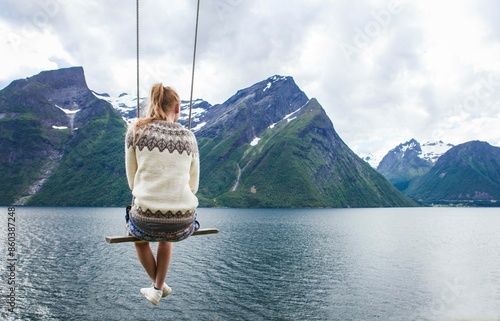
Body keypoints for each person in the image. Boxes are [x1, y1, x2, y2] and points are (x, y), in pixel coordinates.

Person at [125, 83, 200, 305]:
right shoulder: (189, 137)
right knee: (167, 238)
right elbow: (193, 185)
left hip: (146, 219)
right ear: (177, 108)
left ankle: (158, 287)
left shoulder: (136, 130)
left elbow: (132, 178)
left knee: (138, 239)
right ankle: (158, 287)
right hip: (182, 221)